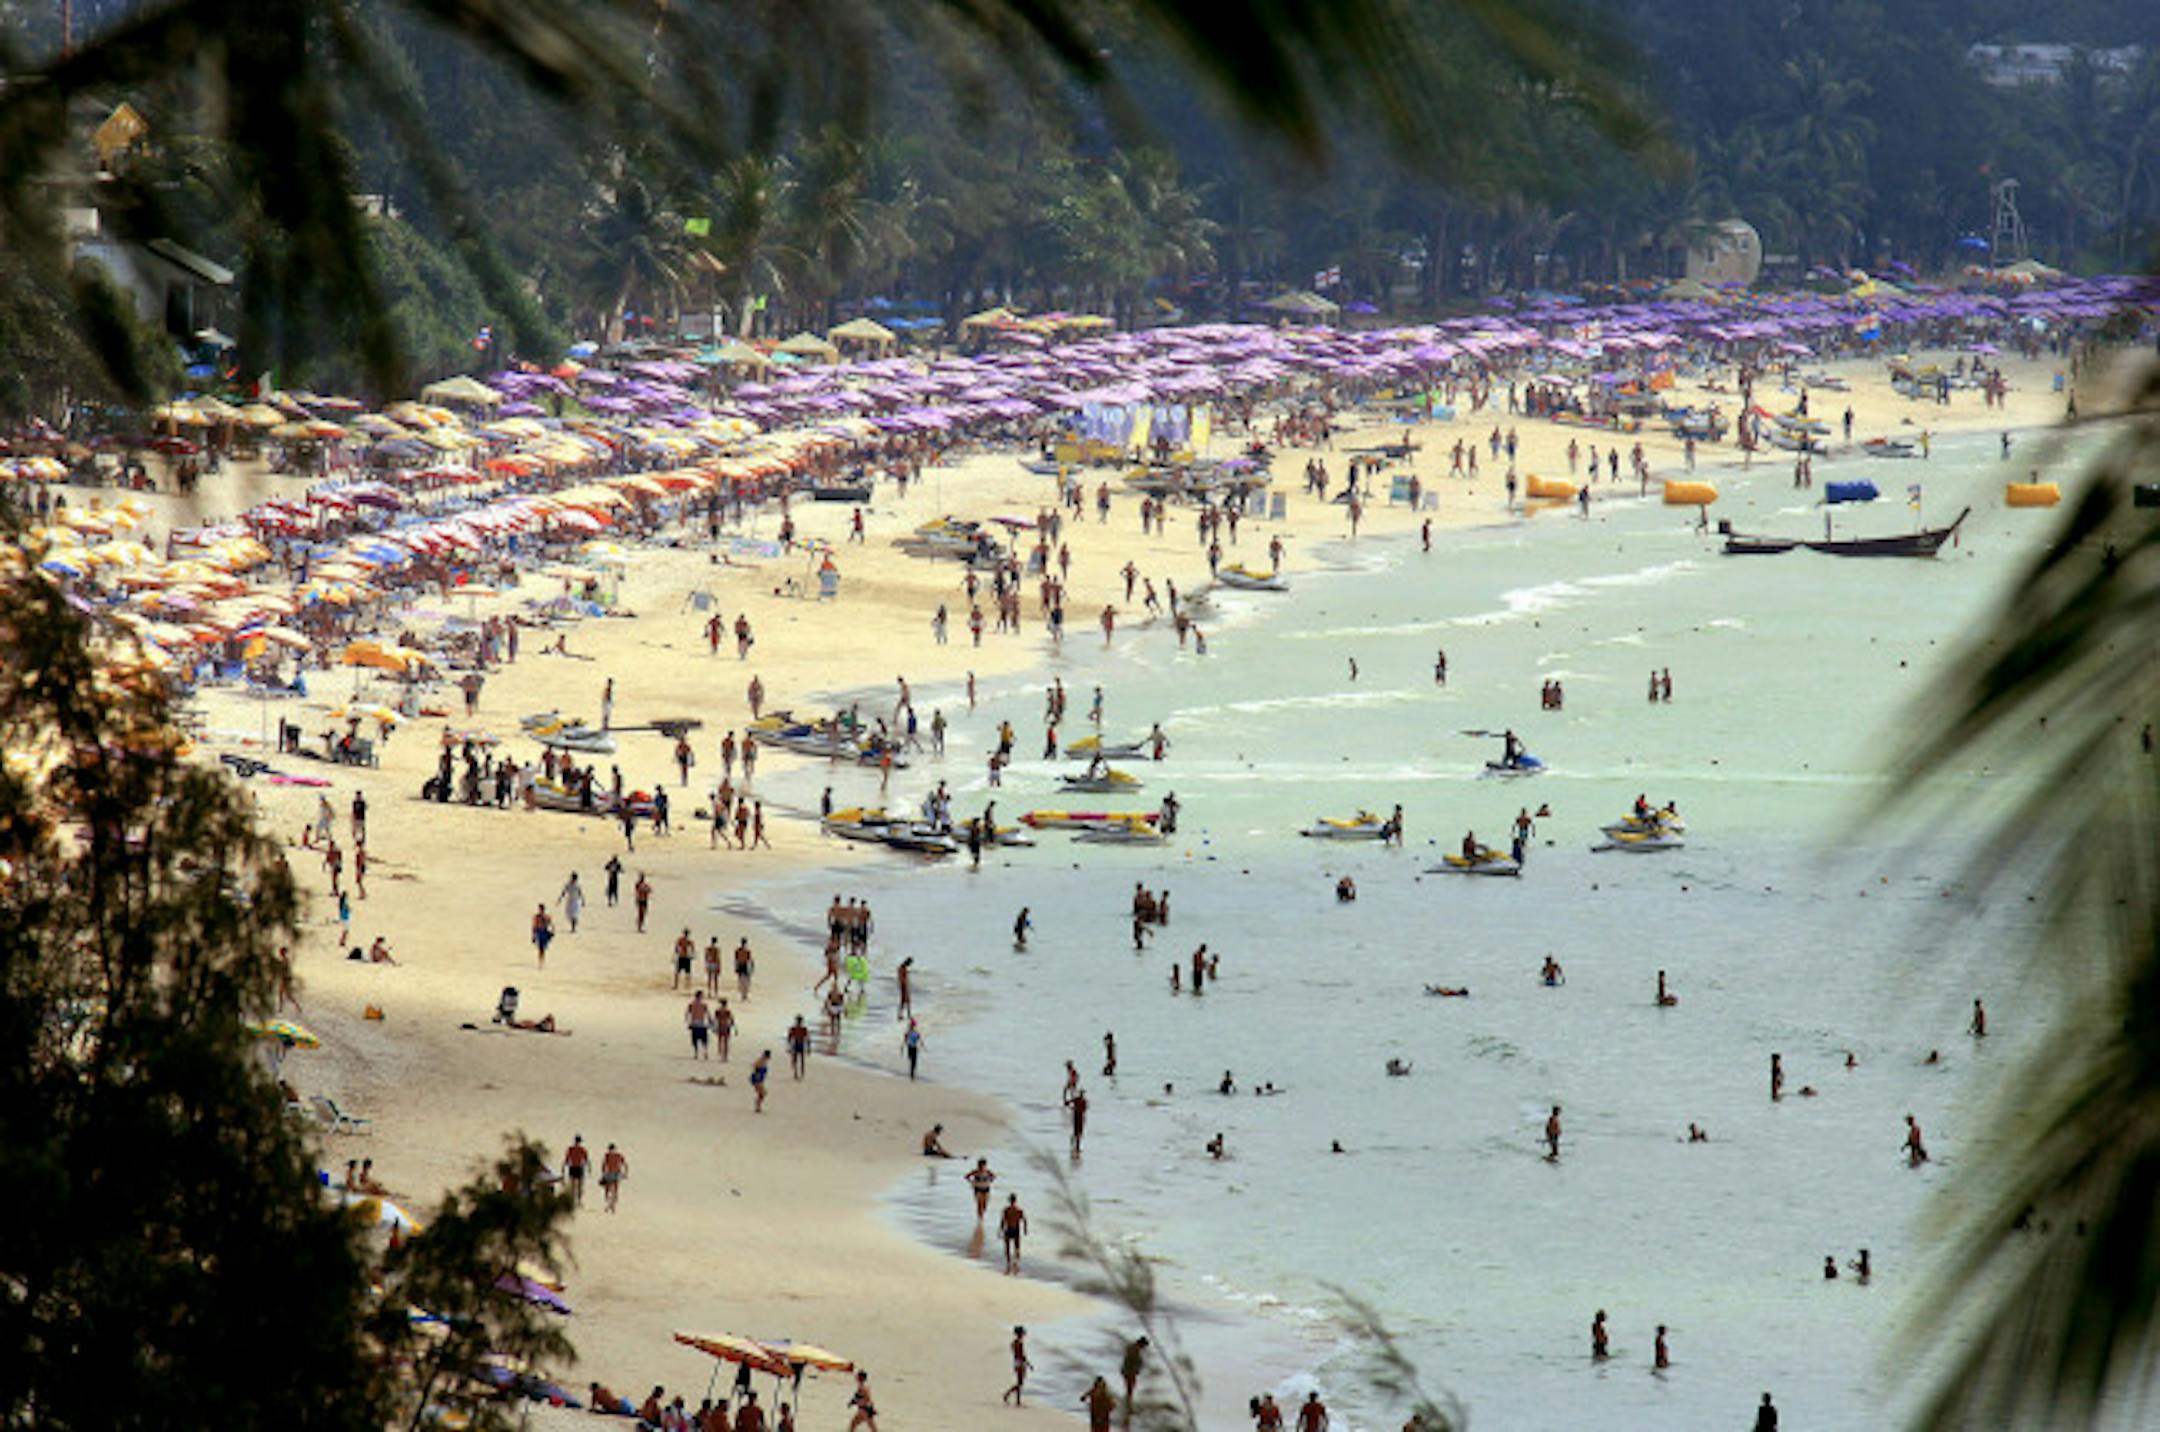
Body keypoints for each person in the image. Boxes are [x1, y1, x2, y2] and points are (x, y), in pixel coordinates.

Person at [1002, 1326, 1031, 1405]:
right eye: (1023, 1333)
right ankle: (1007, 1395)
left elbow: (1015, 1353)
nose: (1024, 1334)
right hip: (1020, 1362)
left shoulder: (1014, 1342)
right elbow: (1022, 1355)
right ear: (1020, 1334)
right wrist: (1028, 1364)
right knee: (1020, 1383)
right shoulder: (1020, 1343)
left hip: (1016, 1362)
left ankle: (1017, 1400)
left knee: (1019, 1382)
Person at [999, 1192, 1027, 1273]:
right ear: (1015, 1200)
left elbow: (1003, 1221)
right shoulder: (1019, 1210)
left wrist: (1000, 1230)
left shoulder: (1006, 1210)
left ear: (1009, 1200)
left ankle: (1008, 1263)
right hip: (1016, 1230)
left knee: (1007, 1247)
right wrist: (1025, 1229)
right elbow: (1024, 1220)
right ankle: (1016, 1262)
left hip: (1008, 1229)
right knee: (1017, 1247)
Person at [599, 1142, 627, 1213]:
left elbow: (603, 1165)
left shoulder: (607, 1155)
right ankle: (612, 1205)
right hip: (616, 1174)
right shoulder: (618, 1155)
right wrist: (625, 1173)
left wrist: (603, 1174)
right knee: (614, 1190)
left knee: (608, 1190)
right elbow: (625, 1165)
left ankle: (610, 1205)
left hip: (610, 1174)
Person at [562, 1135, 589, 1206]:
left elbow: (567, 1159)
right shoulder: (582, 1149)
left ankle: (574, 1201)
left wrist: (563, 1167)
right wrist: (589, 1168)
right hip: (579, 1168)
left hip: (573, 1168)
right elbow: (586, 1160)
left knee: (573, 1186)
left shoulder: (571, 1149)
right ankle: (578, 1201)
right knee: (579, 1186)